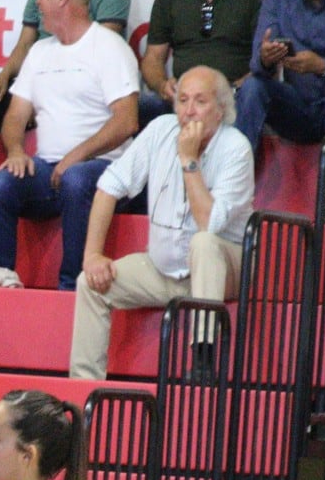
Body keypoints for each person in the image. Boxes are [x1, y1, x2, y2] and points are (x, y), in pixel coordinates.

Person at [70, 67, 252, 384]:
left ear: (221, 110)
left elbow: (209, 223)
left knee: (204, 243)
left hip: (224, 268)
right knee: (90, 282)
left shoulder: (236, 148)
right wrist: (93, 255)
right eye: (182, 100)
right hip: (164, 269)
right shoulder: (159, 130)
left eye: (200, 101)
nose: (189, 110)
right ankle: (85, 387)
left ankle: (204, 361)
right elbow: (107, 188)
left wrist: (188, 159)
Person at [0, 0, 140, 292]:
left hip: (105, 168)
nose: (37, 3)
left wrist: (75, 157)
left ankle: (72, 287)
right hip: (49, 167)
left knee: (76, 179)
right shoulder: (40, 52)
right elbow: (15, 116)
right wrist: (15, 150)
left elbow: (127, 121)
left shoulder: (109, 47)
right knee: (0, 185)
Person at [0, 0, 128, 207]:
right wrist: (3, 77)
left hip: (83, 87)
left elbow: (100, 46)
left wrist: (51, 90)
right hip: (40, 74)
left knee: (75, 180)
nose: (38, 1)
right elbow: (26, 41)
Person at [139, 0, 266, 123]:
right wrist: (162, 86)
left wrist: (232, 89)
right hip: (182, 95)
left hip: (233, 94)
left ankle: (234, 145)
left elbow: (266, 63)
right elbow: (153, 58)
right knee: (139, 106)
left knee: (253, 90)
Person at [233, 0, 325, 155]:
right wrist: (266, 58)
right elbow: (258, 64)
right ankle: (235, 172)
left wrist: (322, 66)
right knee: (253, 87)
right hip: (298, 104)